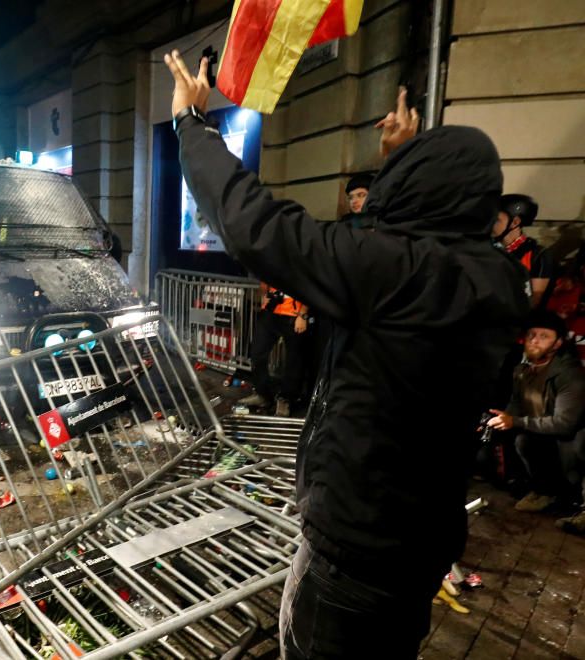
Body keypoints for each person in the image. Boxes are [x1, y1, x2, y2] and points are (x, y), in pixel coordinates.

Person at [164, 51, 528, 659]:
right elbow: (402, 236)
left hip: (354, 548)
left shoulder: (394, 270)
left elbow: (255, 224)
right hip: (422, 540)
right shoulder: (497, 276)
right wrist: (406, 164)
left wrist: (191, 126)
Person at [487, 311, 585, 512]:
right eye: (532, 335)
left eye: (544, 336)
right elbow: (517, 403)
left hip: (571, 441)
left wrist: (516, 421)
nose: (535, 341)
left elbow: (565, 425)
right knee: (516, 441)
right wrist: (501, 418)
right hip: (542, 432)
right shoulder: (522, 370)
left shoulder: (569, 374)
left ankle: (570, 496)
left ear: (557, 344)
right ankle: (544, 492)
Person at [239, 282, 309, 418]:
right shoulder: (274, 261)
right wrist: (264, 295)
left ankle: (286, 399)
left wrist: (303, 315)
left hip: (294, 314)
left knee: (293, 360)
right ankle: (262, 394)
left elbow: (308, 285)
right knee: (257, 353)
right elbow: (264, 281)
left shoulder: (299, 261)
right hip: (271, 310)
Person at [491, 193, 553, 308]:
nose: (489, 224)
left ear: (515, 222)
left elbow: (534, 300)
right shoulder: (488, 248)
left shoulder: (537, 254)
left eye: (496, 220)